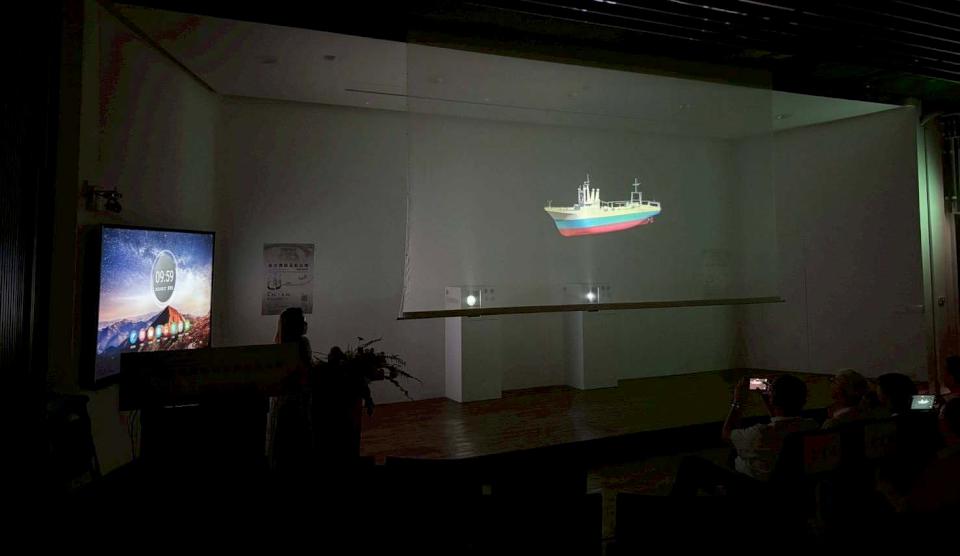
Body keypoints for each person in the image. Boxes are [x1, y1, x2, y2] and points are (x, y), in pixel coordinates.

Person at [671, 374, 819, 496]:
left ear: (773, 398)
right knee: (735, 453)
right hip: (789, 493)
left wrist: (737, 402)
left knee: (690, 464)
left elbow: (726, 435)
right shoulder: (812, 427)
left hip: (753, 490)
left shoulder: (760, 433)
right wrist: (770, 401)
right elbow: (782, 422)